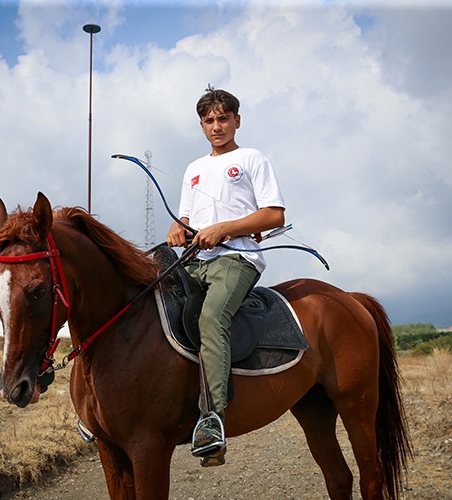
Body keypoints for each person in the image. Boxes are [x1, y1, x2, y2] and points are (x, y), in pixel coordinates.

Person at [167, 86, 285, 466]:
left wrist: (225, 229)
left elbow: (274, 215)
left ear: (237, 120)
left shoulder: (251, 159)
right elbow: (187, 217)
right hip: (194, 260)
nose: (216, 126)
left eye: (223, 118)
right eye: (209, 120)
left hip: (237, 259)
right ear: (201, 125)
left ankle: (212, 418)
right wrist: (178, 227)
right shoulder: (193, 169)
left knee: (212, 317)